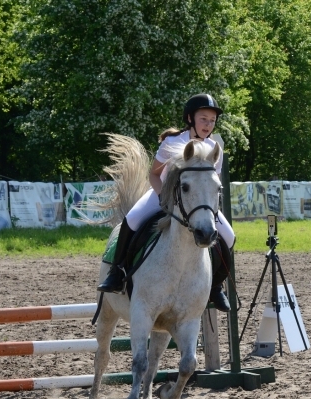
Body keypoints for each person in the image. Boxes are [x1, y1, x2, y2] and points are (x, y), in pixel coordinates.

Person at [97, 93, 235, 312]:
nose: (208, 125)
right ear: (190, 118)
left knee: (229, 236)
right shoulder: (173, 142)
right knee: (131, 221)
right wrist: (164, 198)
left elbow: (212, 182)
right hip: (163, 195)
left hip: (198, 203)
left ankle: (215, 286)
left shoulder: (213, 148)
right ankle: (117, 272)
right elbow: (154, 175)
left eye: (212, 121)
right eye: (203, 119)